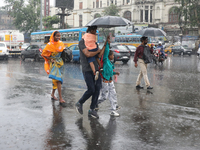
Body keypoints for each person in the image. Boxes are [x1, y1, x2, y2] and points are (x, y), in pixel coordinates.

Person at [75, 28, 110, 119]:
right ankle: (80, 102)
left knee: (97, 89)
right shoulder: (82, 42)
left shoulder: (94, 43)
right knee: (91, 89)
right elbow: (88, 54)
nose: (95, 32)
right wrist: (97, 51)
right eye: (94, 30)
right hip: (87, 69)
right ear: (89, 31)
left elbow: (98, 55)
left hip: (96, 69)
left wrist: (105, 44)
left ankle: (92, 109)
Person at [41, 31, 66, 107]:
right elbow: (44, 54)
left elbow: (63, 52)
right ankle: (60, 98)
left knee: (56, 80)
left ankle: (52, 94)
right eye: (57, 36)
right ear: (53, 36)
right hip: (53, 63)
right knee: (58, 80)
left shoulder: (61, 43)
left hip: (60, 63)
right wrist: (50, 58)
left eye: (59, 36)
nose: (58, 37)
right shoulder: (49, 45)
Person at [97, 43, 120, 117]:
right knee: (104, 97)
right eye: (112, 55)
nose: (113, 56)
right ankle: (95, 103)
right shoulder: (106, 61)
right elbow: (106, 51)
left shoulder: (110, 63)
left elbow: (110, 72)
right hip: (105, 82)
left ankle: (113, 109)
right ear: (108, 56)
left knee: (113, 95)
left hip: (110, 82)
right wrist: (107, 43)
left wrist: (115, 73)